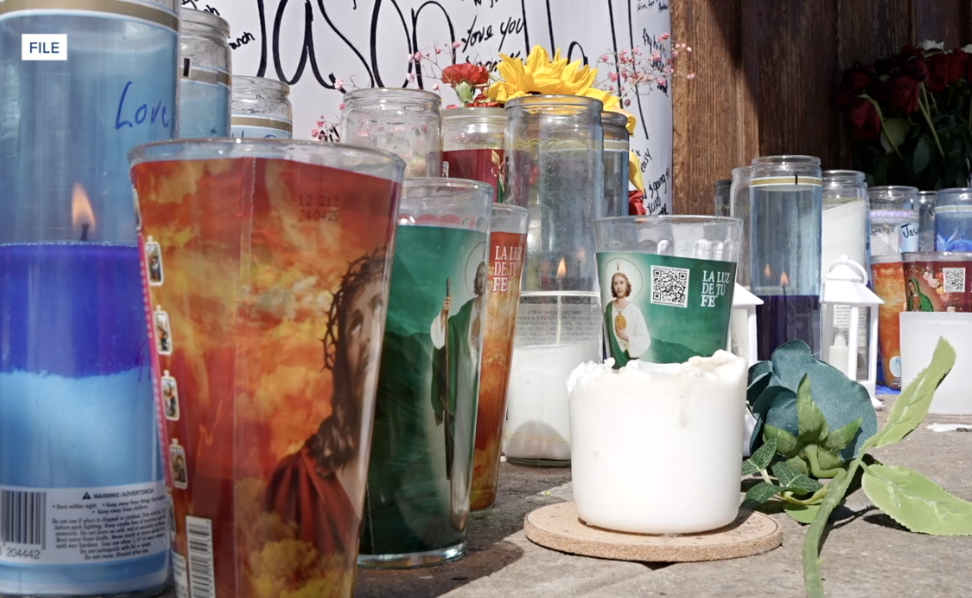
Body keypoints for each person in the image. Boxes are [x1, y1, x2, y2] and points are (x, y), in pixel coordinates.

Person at [266, 249, 387, 558]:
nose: (367, 336)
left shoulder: (428, 469)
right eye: (355, 324)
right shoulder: (299, 479)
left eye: (379, 307)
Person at [430, 260, 486, 527]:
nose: (484, 279)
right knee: (461, 438)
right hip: (466, 382)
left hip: (488, 381)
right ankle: (460, 495)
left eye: (488, 275)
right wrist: (444, 315)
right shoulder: (465, 311)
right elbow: (444, 339)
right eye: (480, 275)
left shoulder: (500, 310)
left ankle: (480, 489)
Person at [604, 271, 651, 368]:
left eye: (621, 283)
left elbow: (645, 340)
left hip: (628, 360)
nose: (619, 287)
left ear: (627, 285)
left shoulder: (635, 311)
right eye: (615, 283)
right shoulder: (609, 308)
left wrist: (627, 337)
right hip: (612, 358)